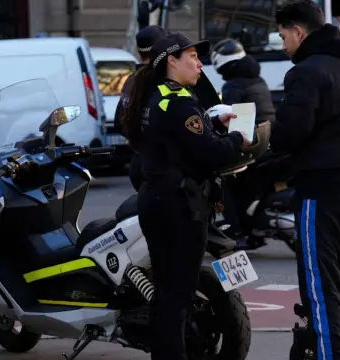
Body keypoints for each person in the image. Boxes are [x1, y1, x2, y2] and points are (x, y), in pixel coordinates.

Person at [120, 32, 250, 360]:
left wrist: (210, 122)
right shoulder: (179, 101)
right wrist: (237, 137)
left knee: (166, 294)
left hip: (158, 199)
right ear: (172, 62)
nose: (199, 63)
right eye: (192, 57)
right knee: (176, 298)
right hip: (180, 207)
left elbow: (180, 138)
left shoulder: (156, 95)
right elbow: (211, 152)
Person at [271, 1, 340, 360]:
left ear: (299, 32)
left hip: (324, 190)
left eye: (283, 36)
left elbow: (291, 132)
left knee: (322, 288)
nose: (283, 44)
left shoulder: (306, 71)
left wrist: (261, 137)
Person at [210, 38, 277, 247]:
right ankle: (253, 228)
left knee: (226, 181)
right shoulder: (257, 79)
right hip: (269, 139)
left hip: (252, 142)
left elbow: (233, 117)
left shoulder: (233, 85)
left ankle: (235, 233)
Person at [114, 25, 168, 191]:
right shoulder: (161, 79)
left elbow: (119, 121)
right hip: (160, 165)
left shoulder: (132, 80)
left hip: (138, 161)